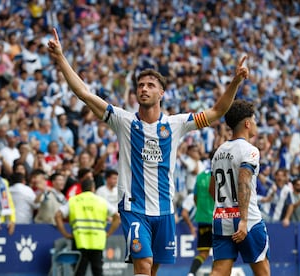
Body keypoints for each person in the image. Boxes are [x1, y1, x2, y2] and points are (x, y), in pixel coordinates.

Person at [48, 28, 249, 276]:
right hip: (134, 208)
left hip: (164, 210)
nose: (144, 88)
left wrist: (236, 81)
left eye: (150, 85)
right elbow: (84, 94)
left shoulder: (176, 124)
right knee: (142, 265)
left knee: (152, 270)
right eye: (140, 85)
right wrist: (60, 57)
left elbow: (217, 111)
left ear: (161, 93)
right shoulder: (122, 121)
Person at [209, 100, 270, 276]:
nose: (256, 124)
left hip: (222, 217)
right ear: (247, 123)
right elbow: (243, 181)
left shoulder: (219, 151)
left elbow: (213, 190)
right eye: (255, 120)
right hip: (247, 220)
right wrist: (242, 220)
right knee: (262, 270)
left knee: (219, 271)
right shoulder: (250, 150)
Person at [55, 179, 120, 276]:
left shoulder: (74, 200)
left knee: (79, 272)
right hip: (97, 242)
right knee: (98, 272)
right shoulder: (101, 201)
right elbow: (117, 217)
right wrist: (109, 233)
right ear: (93, 188)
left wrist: (65, 233)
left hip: (79, 241)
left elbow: (58, 215)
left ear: (81, 188)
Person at [187, 169, 214, 276]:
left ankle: (191, 273)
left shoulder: (200, 176)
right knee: (220, 253)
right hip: (216, 218)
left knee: (203, 253)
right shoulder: (218, 173)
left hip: (202, 218)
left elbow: (195, 196)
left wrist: (201, 209)